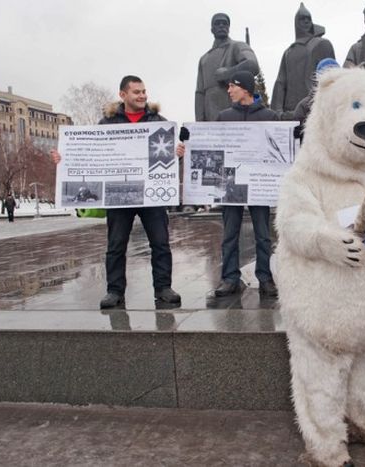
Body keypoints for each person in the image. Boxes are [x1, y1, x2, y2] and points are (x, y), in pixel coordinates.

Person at [52, 75, 182, 309]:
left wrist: (177, 154)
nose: (142, 96)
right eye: (136, 92)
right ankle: (115, 291)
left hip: (151, 194)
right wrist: (65, 159)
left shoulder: (158, 122)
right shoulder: (107, 124)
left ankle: (163, 288)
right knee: (116, 244)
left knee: (160, 243)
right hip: (119, 195)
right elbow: (90, 156)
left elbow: (167, 159)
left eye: (144, 91)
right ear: (123, 95)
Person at [212, 71, 279, 298]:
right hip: (232, 183)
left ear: (246, 89)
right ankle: (230, 278)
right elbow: (213, 148)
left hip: (259, 184)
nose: (229, 90)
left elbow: (280, 148)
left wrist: (294, 136)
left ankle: (265, 277)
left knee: (263, 234)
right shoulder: (224, 116)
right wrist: (189, 139)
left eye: (232, 86)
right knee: (230, 233)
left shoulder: (269, 117)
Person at [271, 3, 335, 120]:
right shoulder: (288, 52)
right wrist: (277, 112)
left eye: (308, 19)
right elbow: (281, 82)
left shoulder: (321, 44)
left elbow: (331, 78)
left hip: (313, 111)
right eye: (302, 19)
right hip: (289, 113)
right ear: (296, 23)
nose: (306, 21)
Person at [195, 13, 260, 121]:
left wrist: (227, 74)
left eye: (224, 23)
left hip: (236, 117)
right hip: (210, 120)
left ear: (228, 28)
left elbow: (252, 65)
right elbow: (200, 93)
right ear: (212, 29)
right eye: (217, 23)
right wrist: (199, 122)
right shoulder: (204, 59)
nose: (221, 25)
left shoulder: (238, 46)